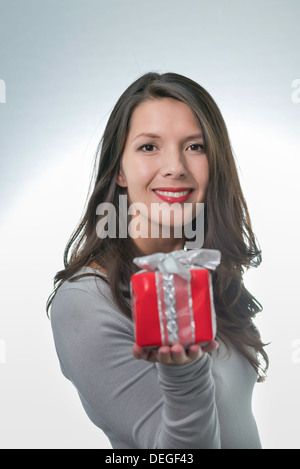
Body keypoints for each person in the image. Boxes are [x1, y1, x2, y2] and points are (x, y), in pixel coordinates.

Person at [46, 72, 269, 449]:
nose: (176, 166)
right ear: (119, 170)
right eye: (149, 147)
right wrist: (184, 373)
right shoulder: (85, 303)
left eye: (195, 147)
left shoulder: (197, 272)